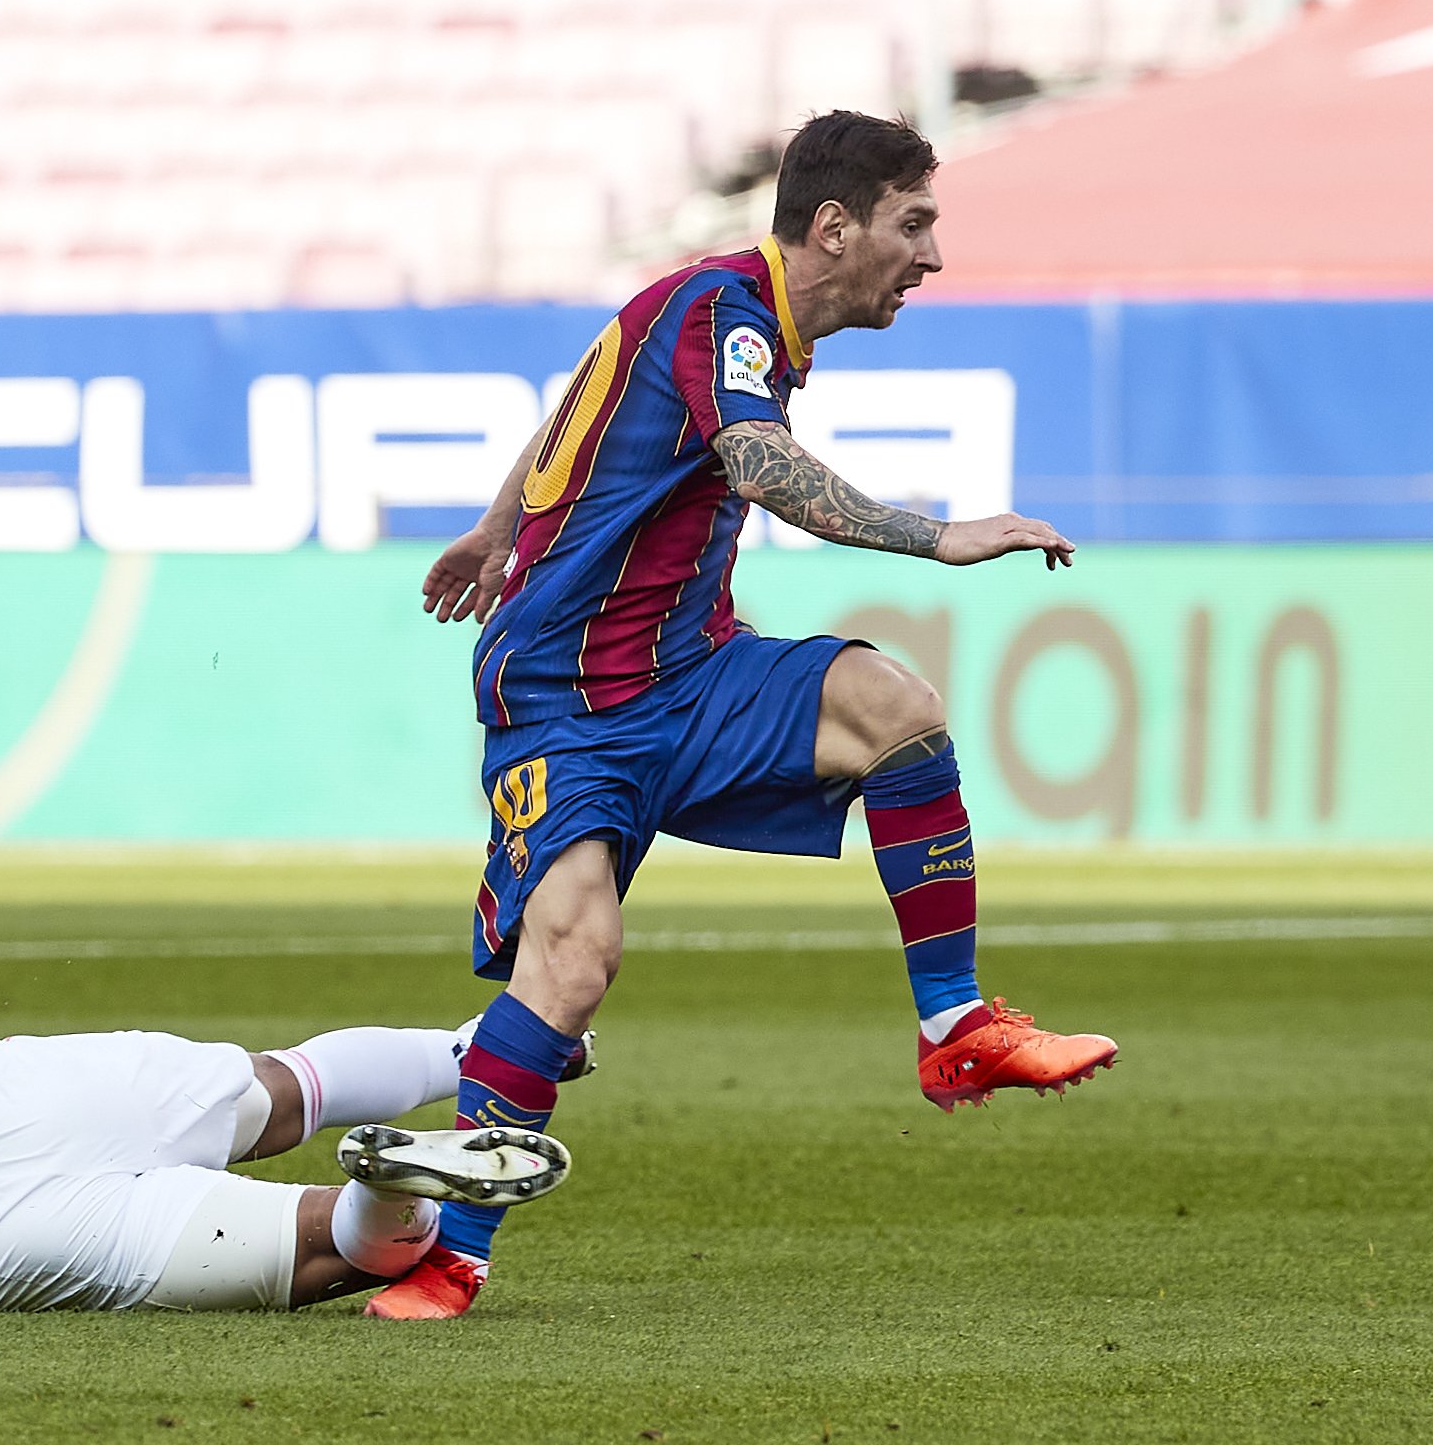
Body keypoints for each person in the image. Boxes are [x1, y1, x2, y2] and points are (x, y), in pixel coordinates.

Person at [391, 110, 1116, 1321]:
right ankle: (448, 1258)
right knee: (574, 967)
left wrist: (497, 524)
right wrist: (939, 536)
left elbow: (580, 400)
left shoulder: (720, 316)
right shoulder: (724, 312)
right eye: (914, 224)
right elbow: (759, 464)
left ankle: (955, 1023)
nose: (932, 257)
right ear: (834, 227)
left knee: (895, 711)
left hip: (692, 674)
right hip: (566, 701)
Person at [0, 700, 575, 1313]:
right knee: (279, 1091)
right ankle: (483, 1048)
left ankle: (389, 1191)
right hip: (6, 1108)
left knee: (331, 1253)